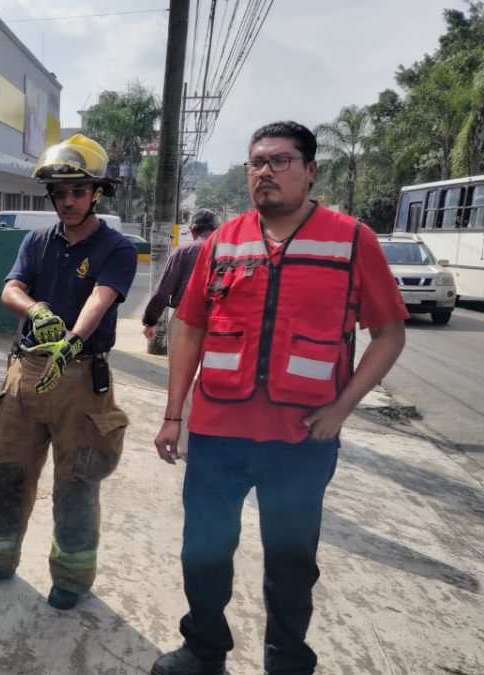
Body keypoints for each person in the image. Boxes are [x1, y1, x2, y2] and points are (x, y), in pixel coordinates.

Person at [150, 121, 407, 675]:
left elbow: (389, 333)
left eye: (280, 161)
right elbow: (189, 326)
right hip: (217, 433)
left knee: (291, 561)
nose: (265, 172)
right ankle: (203, 649)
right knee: (204, 549)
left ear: (310, 171)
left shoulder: (352, 240)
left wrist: (342, 409)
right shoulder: (224, 240)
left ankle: (287, 661)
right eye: (257, 162)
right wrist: (174, 415)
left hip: (300, 440)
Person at [0, 134, 138, 611]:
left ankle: (71, 579)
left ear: (96, 193)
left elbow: (101, 298)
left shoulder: (116, 248)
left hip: (82, 380)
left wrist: (72, 339)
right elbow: (11, 288)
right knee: (5, 471)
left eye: (78, 191)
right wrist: (35, 310)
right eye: (60, 192)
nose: (68, 201)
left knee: (77, 482)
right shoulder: (37, 240)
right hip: (26, 374)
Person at [141, 208, 220, 347]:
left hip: (184, 318)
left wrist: (150, 322)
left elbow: (162, 292)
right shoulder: (227, 253)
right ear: (217, 230)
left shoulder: (183, 251)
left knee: (179, 362)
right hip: (218, 321)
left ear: (192, 230)